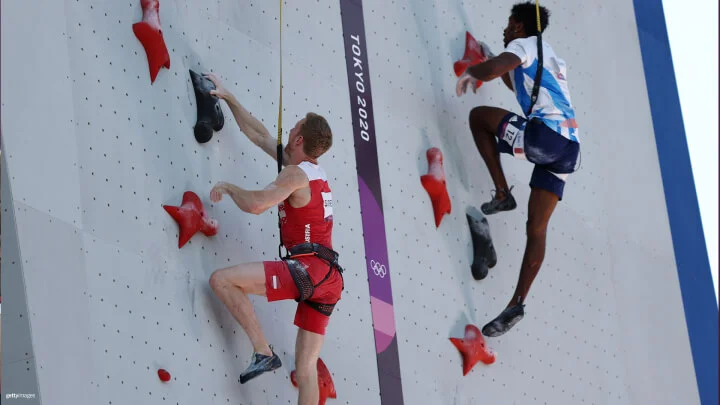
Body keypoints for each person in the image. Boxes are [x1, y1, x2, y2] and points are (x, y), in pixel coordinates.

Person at [205, 73, 343, 405]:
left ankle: (262, 351)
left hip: (308, 268)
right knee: (306, 368)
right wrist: (231, 98)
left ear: (298, 140)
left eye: (295, 127)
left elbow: (256, 204)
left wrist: (228, 187)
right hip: (330, 279)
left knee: (222, 280)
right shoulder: (312, 171)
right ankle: (264, 354)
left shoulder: (295, 175)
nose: (290, 128)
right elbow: (259, 134)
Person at [456, 2, 580, 337]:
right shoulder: (550, 57)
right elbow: (518, 84)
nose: (506, 28)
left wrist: (474, 70)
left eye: (510, 23)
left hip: (545, 137)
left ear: (520, 25)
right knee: (536, 228)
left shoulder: (523, 44)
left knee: (478, 118)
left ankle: (501, 192)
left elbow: (499, 66)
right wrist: (492, 63)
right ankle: (517, 303)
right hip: (568, 149)